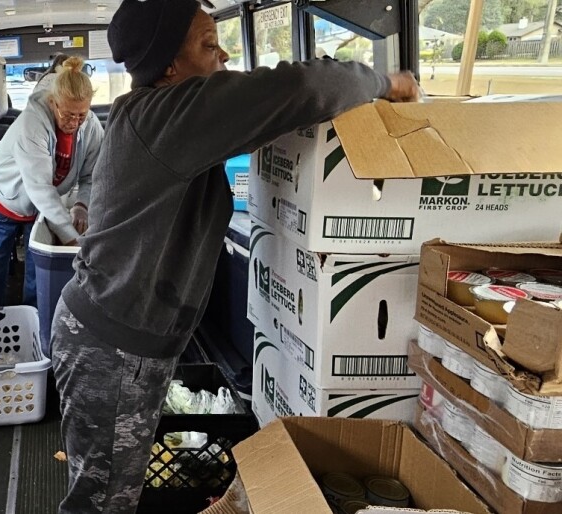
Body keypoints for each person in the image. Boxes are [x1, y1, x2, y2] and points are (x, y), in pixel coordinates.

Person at [50, 2, 422, 513]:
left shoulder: (166, 119)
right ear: (169, 66)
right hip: (112, 349)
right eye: (208, 44)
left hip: (124, 342)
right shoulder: (165, 117)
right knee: (101, 504)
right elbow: (300, 87)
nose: (223, 54)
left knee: (113, 494)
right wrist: (383, 82)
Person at [0, 57, 103, 309]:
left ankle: (33, 316)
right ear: (53, 102)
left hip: (43, 207)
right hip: (4, 197)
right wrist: (73, 240)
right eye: (68, 114)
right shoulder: (32, 124)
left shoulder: (92, 126)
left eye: (81, 115)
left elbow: (91, 176)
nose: (74, 123)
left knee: (38, 269)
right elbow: (40, 188)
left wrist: (81, 205)